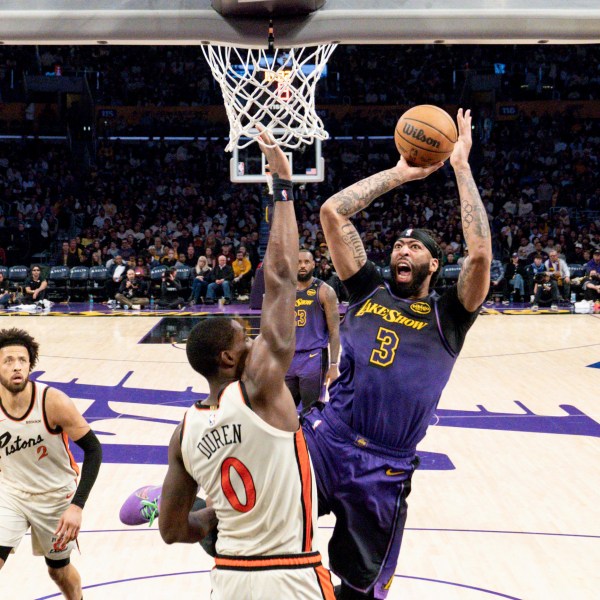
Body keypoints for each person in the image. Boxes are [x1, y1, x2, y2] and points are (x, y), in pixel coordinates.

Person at [301, 108, 491, 599]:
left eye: (416, 246)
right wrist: (402, 174)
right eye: (399, 244)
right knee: (259, 509)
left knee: (362, 590)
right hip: (329, 439)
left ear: (434, 262)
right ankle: (189, 511)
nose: (402, 250)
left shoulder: (450, 315)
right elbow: (332, 213)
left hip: (384, 467)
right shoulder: (368, 292)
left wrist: (461, 168)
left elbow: (480, 255)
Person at [156, 132, 334, 598]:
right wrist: (283, 190)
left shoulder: (184, 433)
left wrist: (210, 518)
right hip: (291, 574)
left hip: (229, 578)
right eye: (246, 338)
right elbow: (279, 280)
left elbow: (172, 530)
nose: (255, 341)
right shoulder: (258, 390)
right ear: (229, 359)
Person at [0, 327, 102, 599]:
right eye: (8, 360)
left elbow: (94, 450)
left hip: (56, 497)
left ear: (30, 365)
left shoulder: (52, 401)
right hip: (11, 494)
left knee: (58, 570)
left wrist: (77, 506)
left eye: (22, 360)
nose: (16, 366)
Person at [285, 249, 341, 414]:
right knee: (284, 410)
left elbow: (335, 330)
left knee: (311, 411)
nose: (302, 266)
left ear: (313, 264)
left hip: (313, 357)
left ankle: (310, 440)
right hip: (288, 358)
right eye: (298, 262)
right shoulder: (285, 291)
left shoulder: (325, 291)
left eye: (306, 262)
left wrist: (333, 365)